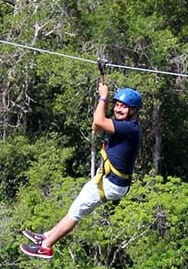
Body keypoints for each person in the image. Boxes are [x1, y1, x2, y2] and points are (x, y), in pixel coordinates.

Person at [20, 83, 142, 259]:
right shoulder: (122, 124)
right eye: (116, 105)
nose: (118, 109)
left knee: (77, 210)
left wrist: (103, 98)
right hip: (108, 178)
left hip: (112, 183)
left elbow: (99, 122)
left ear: (133, 110)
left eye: (123, 107)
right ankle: (47, 236)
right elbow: (97, 125)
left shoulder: (130, 128)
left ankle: (46, 247)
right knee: (76, 205)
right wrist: (104, 104)